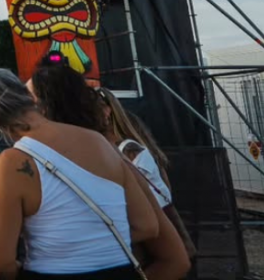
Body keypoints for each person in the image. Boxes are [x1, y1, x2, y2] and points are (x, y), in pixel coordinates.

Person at [0, 57, 164, 279]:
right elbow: (146, 225)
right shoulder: (99, 141)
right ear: (29, 97)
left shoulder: (13, 162)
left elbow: (1, 261)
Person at [25, 62, 191, 277]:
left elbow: (174, 259)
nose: (19, 109)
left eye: (27, 100)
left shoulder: (113, 160)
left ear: (46, 109)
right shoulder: (37, 163)